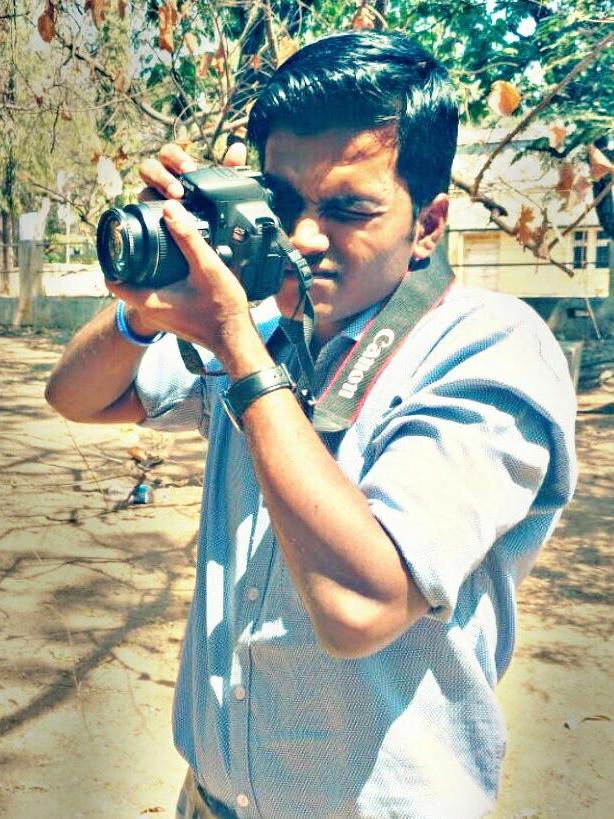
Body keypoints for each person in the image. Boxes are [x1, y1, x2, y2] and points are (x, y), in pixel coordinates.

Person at [45, 30, 577, 819]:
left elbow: (359, 607)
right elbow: (78, 396)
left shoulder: (489, 348)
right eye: (283, 203)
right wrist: (149, 295)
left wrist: (238, 350)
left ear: (429, 224)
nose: (303, 238)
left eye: (348, 210)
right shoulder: (264, 330)